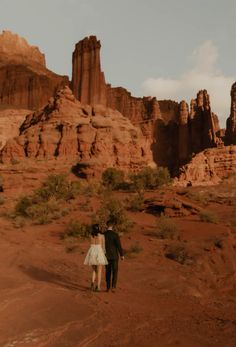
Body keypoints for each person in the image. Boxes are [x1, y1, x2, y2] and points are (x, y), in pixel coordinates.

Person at [84, 224, 108, 292]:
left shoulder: (90, 236)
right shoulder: (102, 236)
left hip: (92, 251)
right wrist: (104, 255)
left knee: (94, 270)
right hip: (99, 252)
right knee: (99, 271)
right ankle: (98, 287)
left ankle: (92, 283)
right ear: (98, 228)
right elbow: (103, 247)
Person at [104, 221, 124, 293]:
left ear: (107, 226)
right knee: (115, 271)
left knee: (108, 271)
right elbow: (119, 245)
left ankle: (108, 287)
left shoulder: (104, 235)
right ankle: (113, 287)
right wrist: (122, 255)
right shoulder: (115, 235)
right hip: (114, 256)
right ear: (112, 226)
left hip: (106, 256)